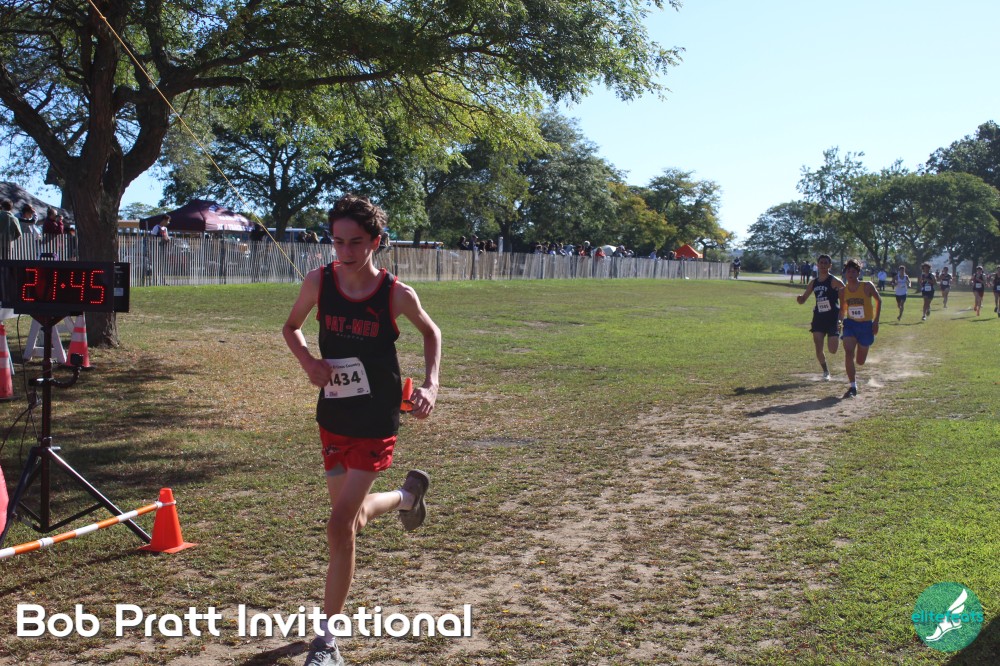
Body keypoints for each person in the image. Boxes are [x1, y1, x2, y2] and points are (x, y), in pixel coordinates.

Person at [282, 194, 441, 666]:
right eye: (337, 241)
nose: (345, 251)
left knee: (338, 526)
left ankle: (327, 640)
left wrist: (431, 385)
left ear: (375, 241)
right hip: (333, 416)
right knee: (348, 522)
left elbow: (431, 332)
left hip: (375, 419)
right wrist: (308, 361)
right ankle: (406, 497)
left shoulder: (395, 293)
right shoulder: (319, 281)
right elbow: (291, 327)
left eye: (355, 242)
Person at [796, 254, 844, 381]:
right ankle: (826, 371)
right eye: (821, 263)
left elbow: (845, 297)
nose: (823, 265)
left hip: (833, 318)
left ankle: (839, 334)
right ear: (817, 265)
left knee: (833, 350)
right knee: (818, 347)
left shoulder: (835, 281)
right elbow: (803, 299)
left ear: (830, 266)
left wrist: (841, 318)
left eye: (825, 263)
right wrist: (800, 299)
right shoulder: (814, 282)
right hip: (819, 318)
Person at [839, 258, 881, 398]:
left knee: (860, 361)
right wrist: (839, 321)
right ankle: (853, 386)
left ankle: (856, 374)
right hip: (850, 324)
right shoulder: (843, 291)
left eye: (853, 271)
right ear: (845, 273)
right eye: (848, 271)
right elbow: (843, 310)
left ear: (858, 273)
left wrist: (876, 321)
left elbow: (879, 300)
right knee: (848, 352)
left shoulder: (867, 286)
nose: (850, 274)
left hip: (866, 326)